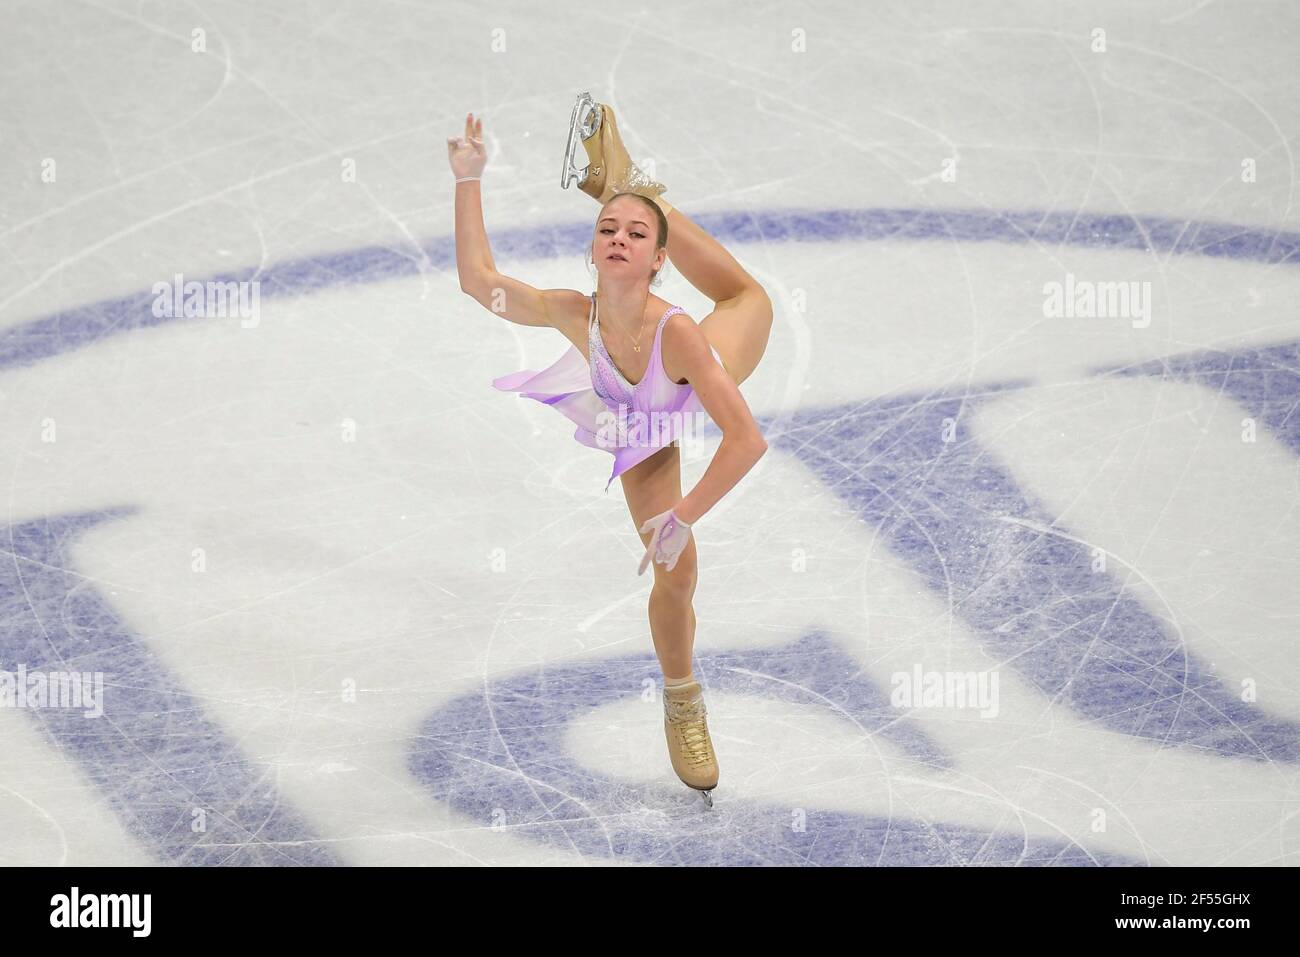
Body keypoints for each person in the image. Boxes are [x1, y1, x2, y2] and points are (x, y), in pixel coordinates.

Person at [448, 99, 773, 805]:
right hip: (637, 422)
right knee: (677, 578)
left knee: (746, 293)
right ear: (592, 250)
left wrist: (684, 513)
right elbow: (479, 282)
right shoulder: (572, 311)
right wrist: (469, 178)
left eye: (634, 232)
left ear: (659, 262)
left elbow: (746, 439)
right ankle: (620, 180)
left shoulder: (682, 335)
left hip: (696, 368)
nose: (617, 238)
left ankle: (623, 181)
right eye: (607, 228)